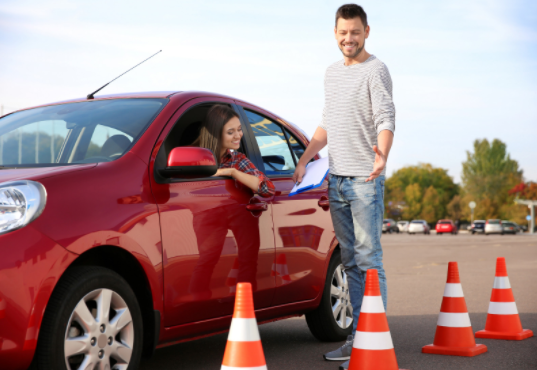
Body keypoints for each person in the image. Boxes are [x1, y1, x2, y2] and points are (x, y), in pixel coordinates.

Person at [292, 4, 395, 370]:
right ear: (334, 34)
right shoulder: (331, 74)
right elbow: (327, 124)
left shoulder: (376, 70)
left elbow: (385, 117)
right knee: (349, 261)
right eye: (342, 32)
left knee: (369, 261)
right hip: (335, 182)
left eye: (354, 32)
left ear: (367, 31)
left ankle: (375, 339)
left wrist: (381, 154)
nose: (348, 39)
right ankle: (358, 338)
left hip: (365, 182)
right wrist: (305, 158)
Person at [189, 104, 275, 299]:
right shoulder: (194, 156)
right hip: (207, 212)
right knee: (206, 260)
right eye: (231, 132)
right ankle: (199, 304)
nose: (238, 136)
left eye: (239, 129)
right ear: (215, 133)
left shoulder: (237, 160)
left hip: (240, 212)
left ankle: (245, 311)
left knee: (248, 259)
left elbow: (267, 188)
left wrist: (232, 172)